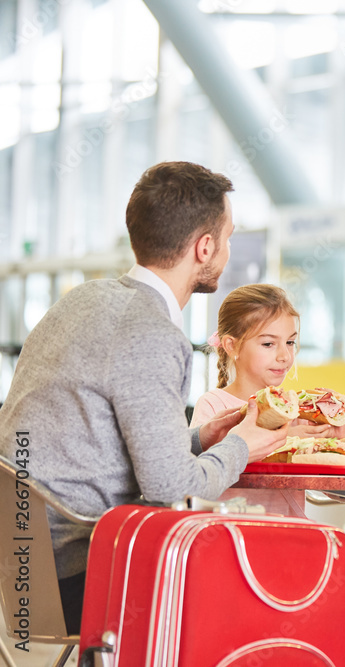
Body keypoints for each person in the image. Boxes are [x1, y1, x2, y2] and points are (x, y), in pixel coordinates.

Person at [0, 162, 288, 633]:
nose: (228, 251)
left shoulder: (81, 300)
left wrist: (200, 439)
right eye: (228, 237)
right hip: (82, 571)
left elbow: (102, 442)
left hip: (22, 563)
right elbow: (172, 490)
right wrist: (244, 445)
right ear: (205, 247)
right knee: (256, 577)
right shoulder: (152, 333)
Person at [189, 283, 345, 441]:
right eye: (268, 344)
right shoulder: (212, 405)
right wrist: (284, 438)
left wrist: (335, 437)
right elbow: (207, 461)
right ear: (232, 346)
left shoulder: (294, 411)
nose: (284, 356)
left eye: (290, 342)